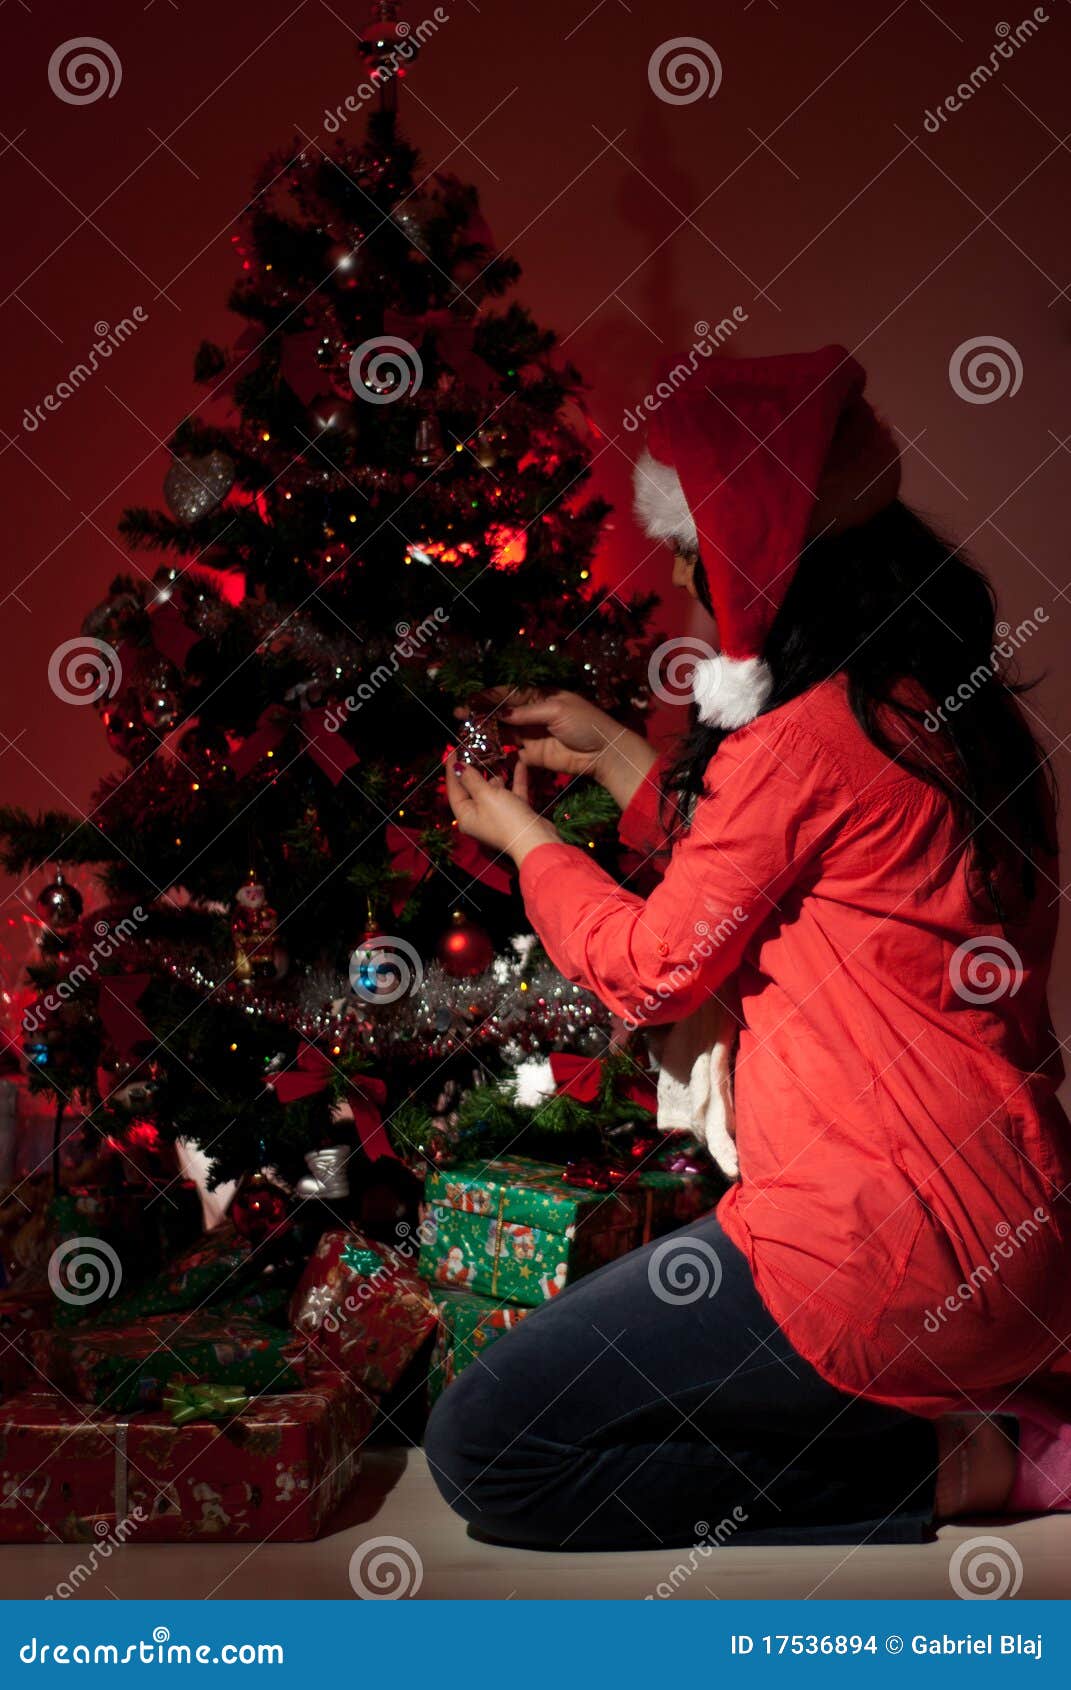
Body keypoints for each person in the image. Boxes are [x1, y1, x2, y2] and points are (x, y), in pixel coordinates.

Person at [427, 345, 1071, 1550]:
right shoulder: (952, 716)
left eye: (695, 553)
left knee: (487, 1447)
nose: (684, 578)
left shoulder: (802, 742)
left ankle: (963, 1464)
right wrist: (620, 751)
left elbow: (653, 964)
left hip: (878, 1258)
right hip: (1028, 1254)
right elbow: (773, 860)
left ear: (771, 557)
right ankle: (992, 1418)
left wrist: (526, 845)